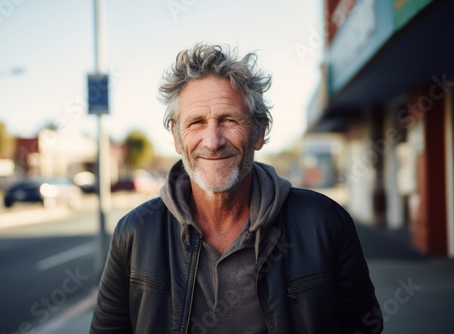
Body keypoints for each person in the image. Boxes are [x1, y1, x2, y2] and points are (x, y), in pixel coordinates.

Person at [90, 43, 383, 334]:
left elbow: (364, 326)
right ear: (177, 139)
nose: (213, 140)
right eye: (196, 123)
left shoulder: (325, 222)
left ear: (259, 132)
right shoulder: (135, 233)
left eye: (229, 120)